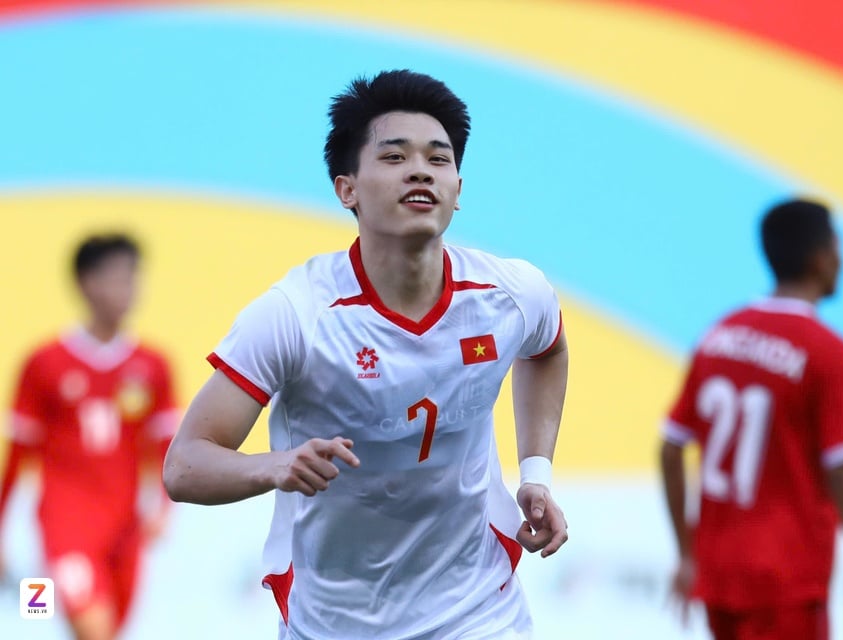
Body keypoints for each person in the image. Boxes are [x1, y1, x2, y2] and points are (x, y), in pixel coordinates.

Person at [162, 69, 569, 639]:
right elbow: (184, 466)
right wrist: (275, 466)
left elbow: (547, 350)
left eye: (438, 159)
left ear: (457, 189)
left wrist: (536, 473)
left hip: (479, 609)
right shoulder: (296, 315)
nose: (420, 171)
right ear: (346, 189)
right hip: (331, 619)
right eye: (395, 157)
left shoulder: (511, 294)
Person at [659, 199, 843, 640]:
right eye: (838, 247)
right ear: (820, 258)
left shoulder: (719, 335)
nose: (842, 260)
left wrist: (686, 554)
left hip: (718, 574)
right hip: (786, 582)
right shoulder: (828, 353)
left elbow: (671, 450)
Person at [0, 233, 178, 640]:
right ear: (86, 282)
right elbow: (17, 455)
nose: (128, 288)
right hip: (64, 524)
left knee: (108, 632)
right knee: (93, 629)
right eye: (117, 277)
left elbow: (169, 446)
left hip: (126, 528)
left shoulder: (152, 365)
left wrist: (165, 506)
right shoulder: (44, 363)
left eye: (133, 277)